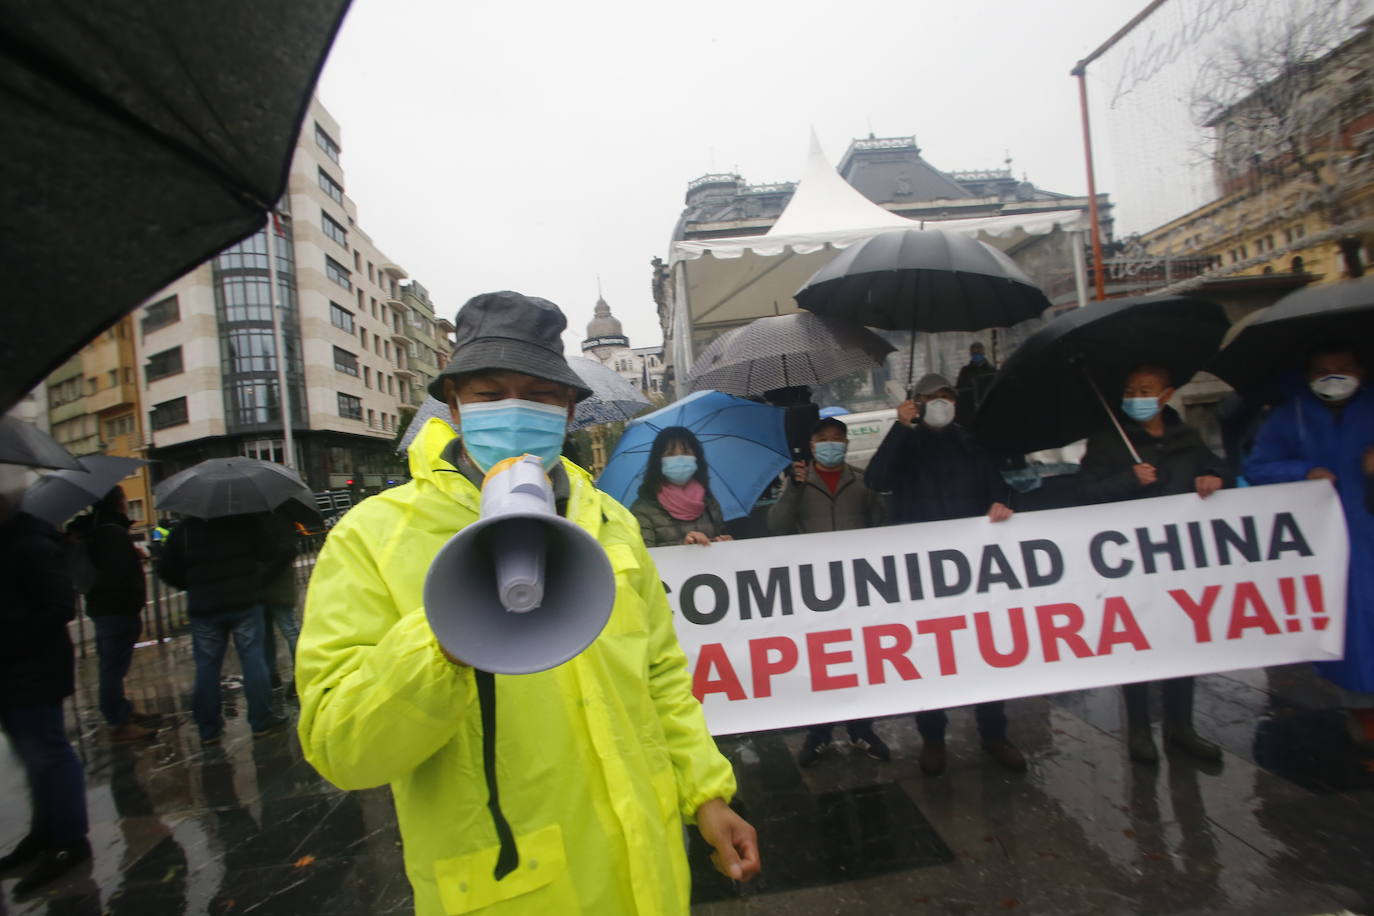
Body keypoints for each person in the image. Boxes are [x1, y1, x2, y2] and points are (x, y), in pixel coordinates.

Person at [296, 291, 759, 915]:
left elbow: (660, 678)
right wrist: (442, 639)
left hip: (646, 876)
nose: (515, 410)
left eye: (541, 395)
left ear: (570, 409)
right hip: (506, 890)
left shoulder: (611, 523)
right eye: (489, 395)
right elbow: (343, 749)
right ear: (454, 406)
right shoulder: (372, 537)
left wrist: (707, 796)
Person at [864, 373, 1023, 776]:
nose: (940, 403)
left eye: (946, 397)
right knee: (929, 655)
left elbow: (1000, 488)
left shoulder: (970, 443)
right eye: (931, 398)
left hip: (972, 569)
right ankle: (932, 737)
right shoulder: (908, 443)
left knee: (985, 649)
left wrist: (1002, 505)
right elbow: (876, 479)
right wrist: (900, 429)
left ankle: (994, 733)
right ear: (916, 403)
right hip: (922, 574)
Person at [1078, 364, 1230, 764]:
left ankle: (1182, 727)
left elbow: (1220, 466)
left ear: (1166, 396)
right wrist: (1130, 479)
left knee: (1182, 643)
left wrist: (1214, 475)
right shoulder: (1108, 442)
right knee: (1138, 645)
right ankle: (1140, 730)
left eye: (1145, 390)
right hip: (1130, 562)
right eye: (1130, 390)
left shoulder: (1186, 438)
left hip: (1179, 561)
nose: (1136, 397)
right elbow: (1087, 492)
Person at [1244, 344, 1374, 745]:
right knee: (1353, 627)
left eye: (1343, 368)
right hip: (1327, 540)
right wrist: (1303, 471)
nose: (1333, 376)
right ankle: (1364, 712)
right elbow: (1256, 467)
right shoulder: (1290, 417)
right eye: (1323, 369)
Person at [769, 417, 890, 766]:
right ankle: (819, 735)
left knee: (859, 660)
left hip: (857, 588)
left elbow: (881, 527)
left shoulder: (863, 480)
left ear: (847, 443)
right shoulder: (798, 482)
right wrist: (794, 486)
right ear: (812, 445)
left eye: (838, 438)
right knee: (819, 664)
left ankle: (862, 730)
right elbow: (777, 526)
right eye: (824, 439)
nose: (831, 444)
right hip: (815, 593)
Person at [0, 463, 91, 893]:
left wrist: (13, 638)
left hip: (33, 667)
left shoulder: (30, 543)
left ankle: (69, 840)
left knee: (49, 753)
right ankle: (43, 832)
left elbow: (59, 605)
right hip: (15, 670)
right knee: (32, 755)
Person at [156, 513, 289, 744]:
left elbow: (166, 569)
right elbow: (269, 551)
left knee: (207, 667)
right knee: (253, 660)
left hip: (205, 606)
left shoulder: (186, 529)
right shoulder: (244, 520)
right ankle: (261, 720)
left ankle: (209, 730)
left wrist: (193, 584)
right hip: (244, 600)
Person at [74, 486, 155, 742]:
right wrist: (133, 600)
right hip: (117, 609)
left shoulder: (96, 529)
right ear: (118, 503)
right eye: (124, 500)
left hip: (104, 608)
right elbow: (118, 574)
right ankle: (117, 721)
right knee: (112, 668)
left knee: (113, 666)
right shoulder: (111, 532)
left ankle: (121, 709)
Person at [631, 426, 733, 547]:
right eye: (670, 454)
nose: (679, 459)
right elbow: (644, 558)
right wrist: (683, 550)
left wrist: (726, 544)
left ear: (697, 458)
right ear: (658, 461)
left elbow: (719, 546)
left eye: (686, 452)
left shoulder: (709, 503)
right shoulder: (643, 510)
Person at [261, 510, 301, 691]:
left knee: (283, 630)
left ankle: (278, 674)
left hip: (269, 583)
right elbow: (290, 549)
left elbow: (288, 550)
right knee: (283, 630)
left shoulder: (254, 519)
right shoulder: (282, 518)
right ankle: (276, 674)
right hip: (274, 583)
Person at [955, 341, 997, 423]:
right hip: (969, 410)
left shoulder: (991, 370)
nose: (976, 355)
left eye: (978, 352)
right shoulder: (965, 371)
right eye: (974, 353)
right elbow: (960, 389)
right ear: (971, 354)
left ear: (983, 352)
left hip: (987, 408)